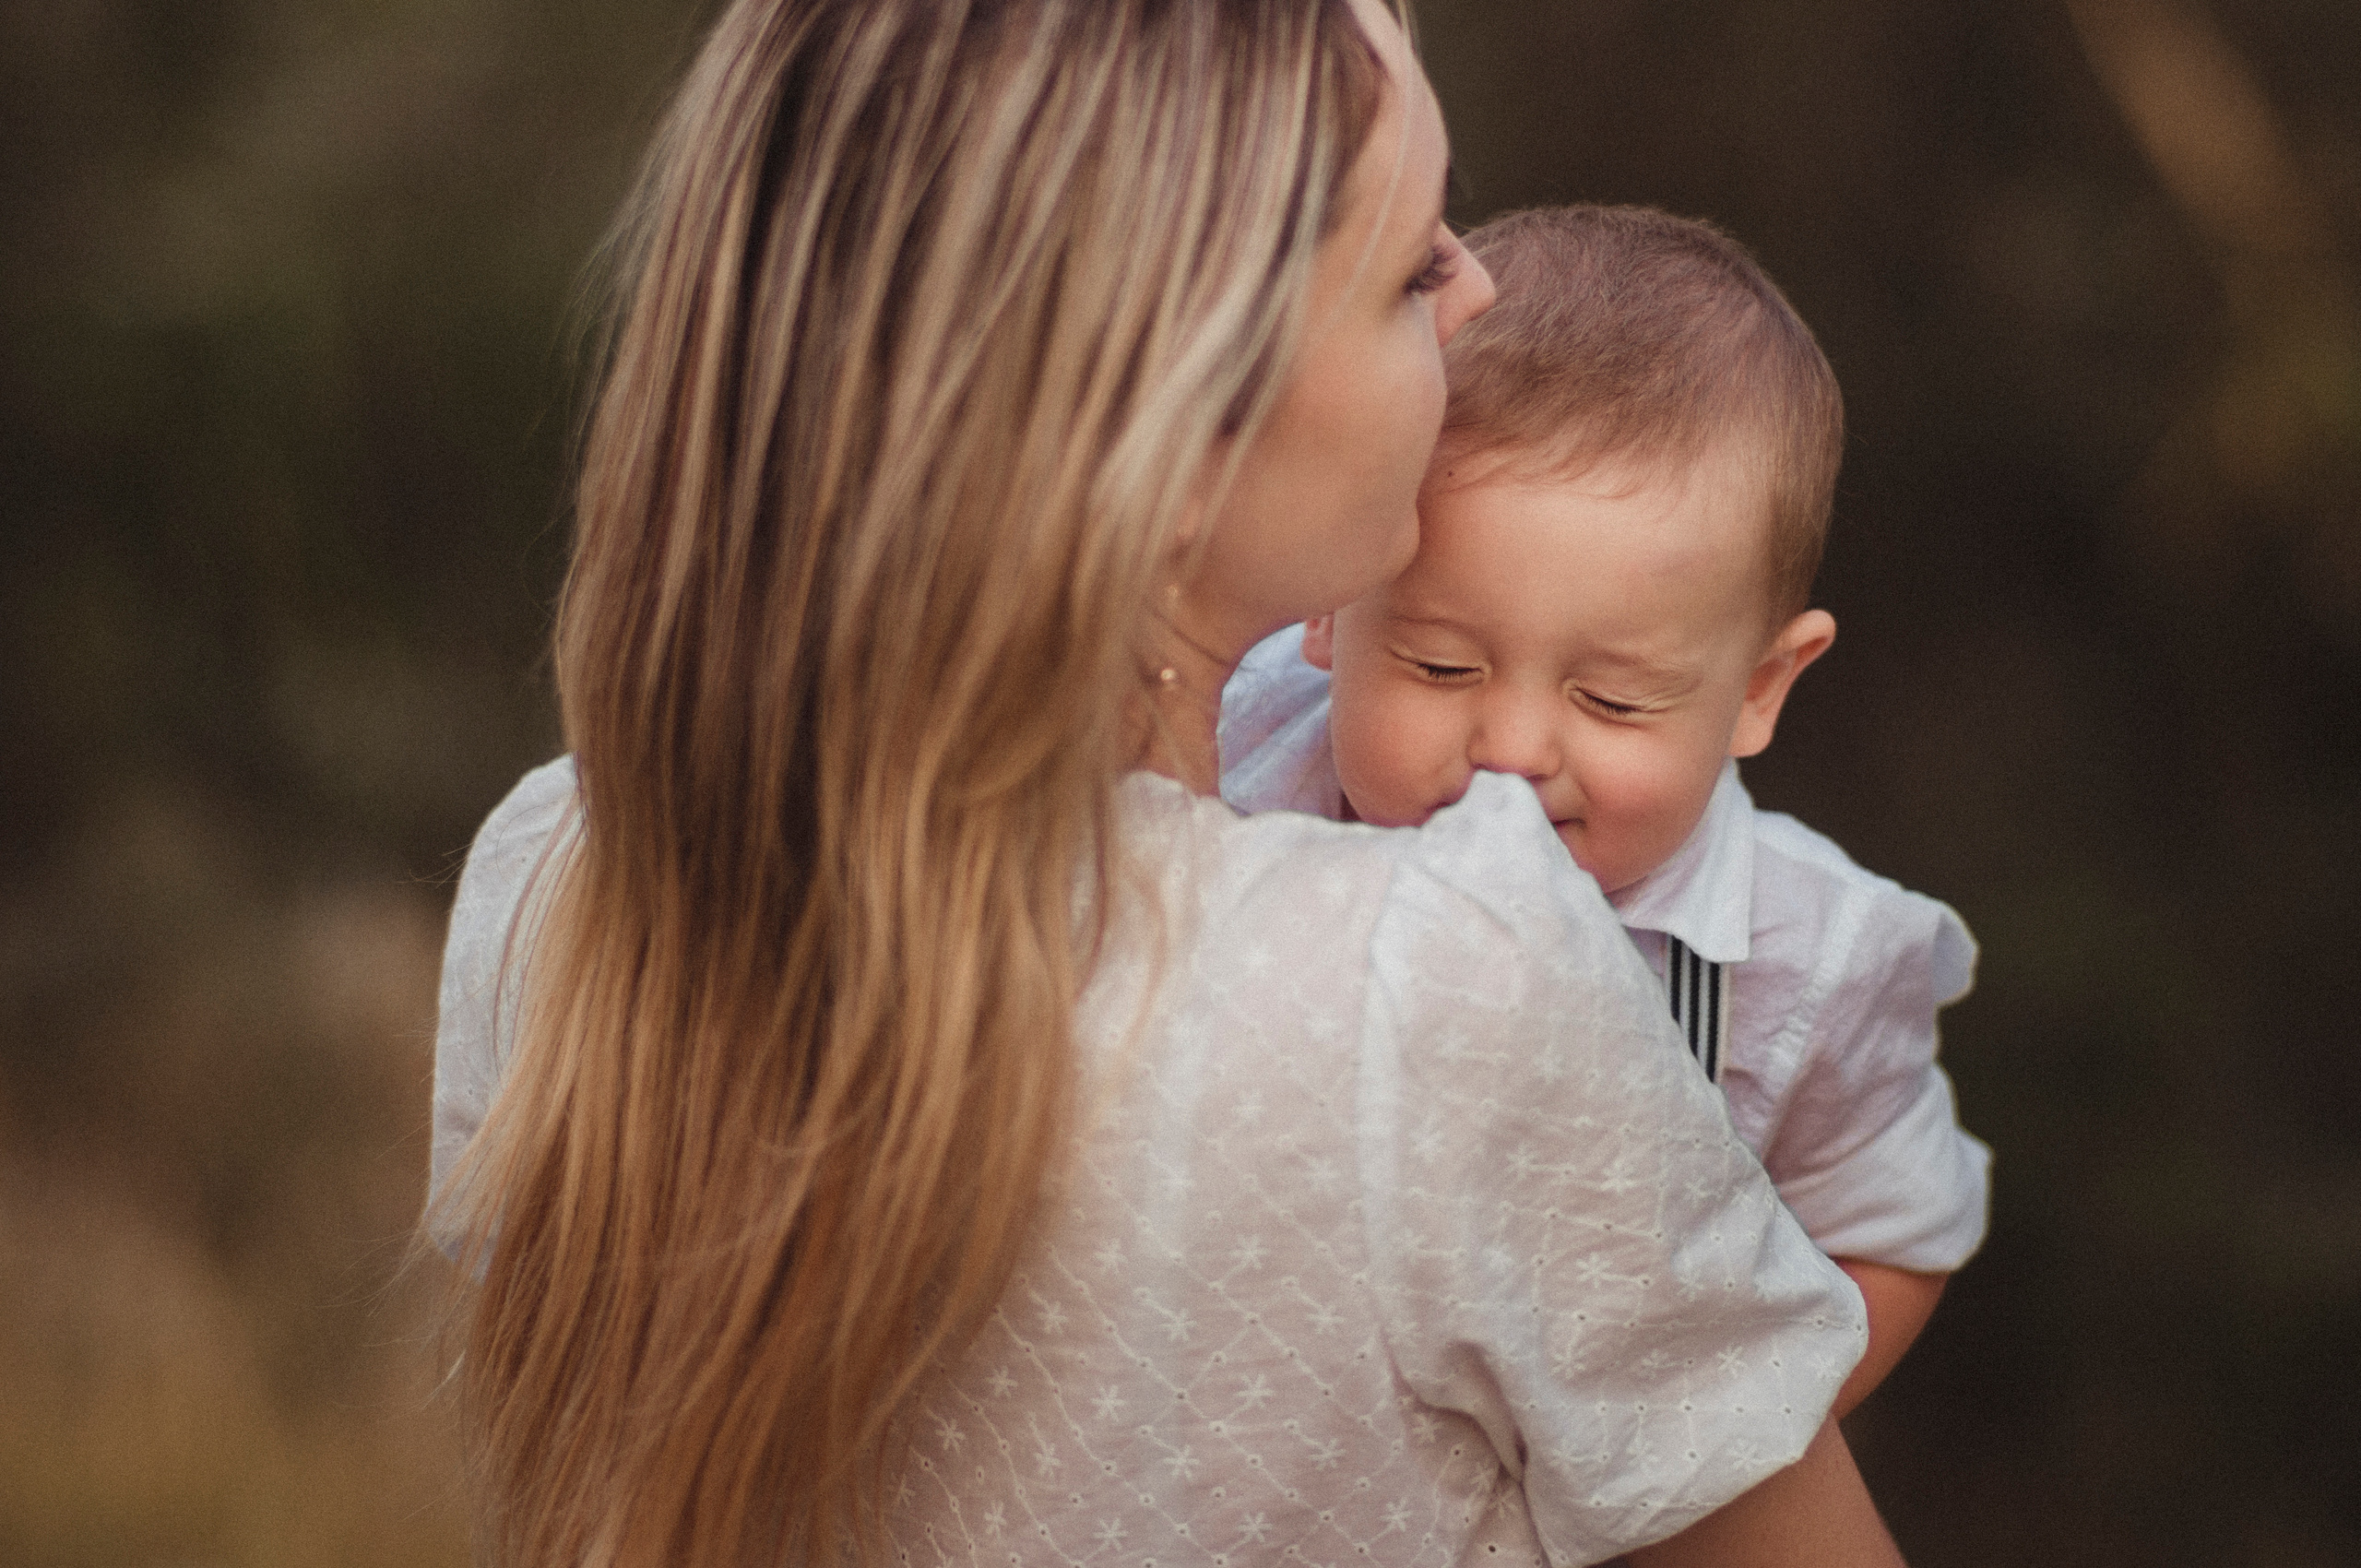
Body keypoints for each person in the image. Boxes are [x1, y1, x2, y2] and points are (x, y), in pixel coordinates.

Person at [428, 4, 1907, 1565]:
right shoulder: (1433, 989)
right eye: (1412, 266)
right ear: (1186, 425)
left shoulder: (561, 878)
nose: (1479, 292)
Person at [1220, 204, 1991, 1417]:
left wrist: (1716, 1464)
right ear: (1326, 598)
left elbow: (1898, 1232)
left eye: (1615, 699)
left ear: (1757, 688)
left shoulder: (1802, 963)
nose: (1515, 750)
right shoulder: (1231, 755)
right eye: (1440, 667)